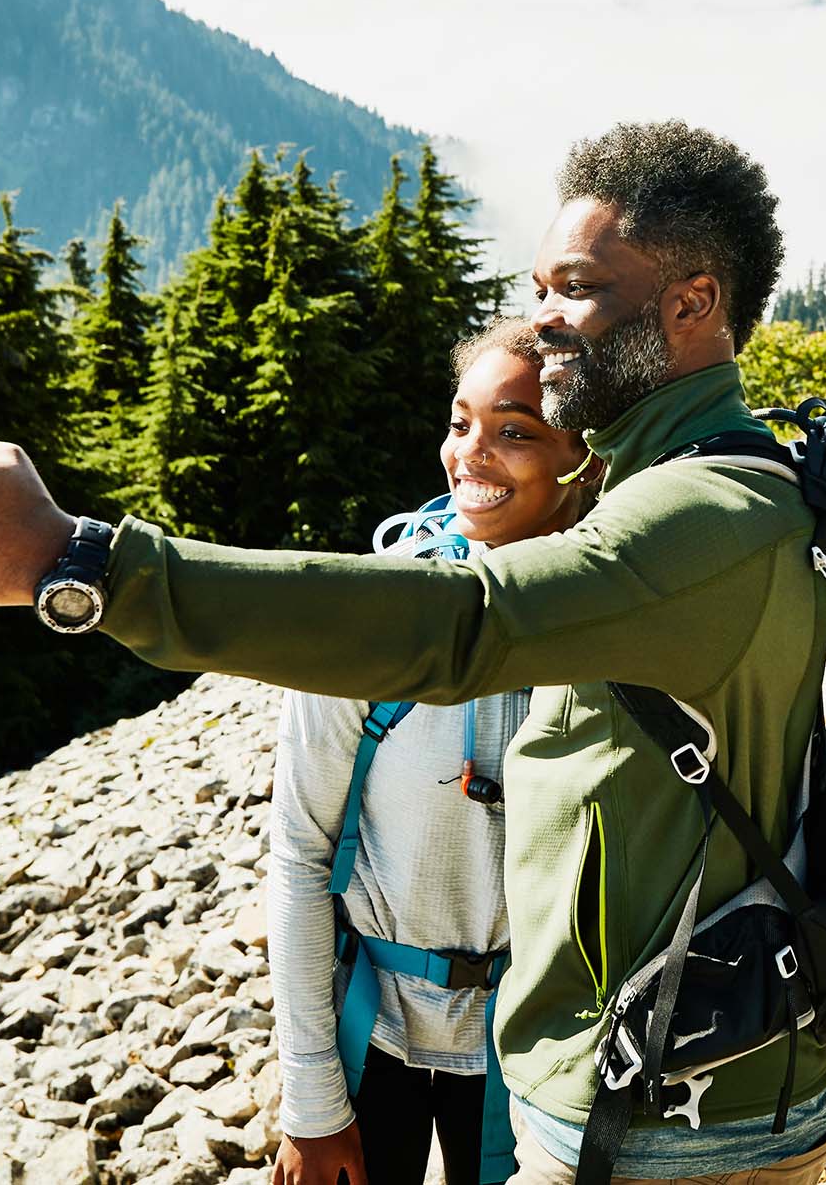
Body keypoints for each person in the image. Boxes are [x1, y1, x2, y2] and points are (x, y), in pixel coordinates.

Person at [0, 122, 826, 1185]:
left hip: (669, 1129)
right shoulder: (705, 487)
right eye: (538, 286)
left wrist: (71, 559)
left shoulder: (692, 517)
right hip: (689, 1081)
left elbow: (453, 623)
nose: (541, 323)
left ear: (692, 304)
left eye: (577, 289)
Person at [272, 318, 598, 1185]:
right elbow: (301, 854)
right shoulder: (374, 620)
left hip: (548, 1057)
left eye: (516, 431)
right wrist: (310, 1103)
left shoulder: (616, 629)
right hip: (370, 1033)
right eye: (461, 424)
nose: (471, 456)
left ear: (586, 459)